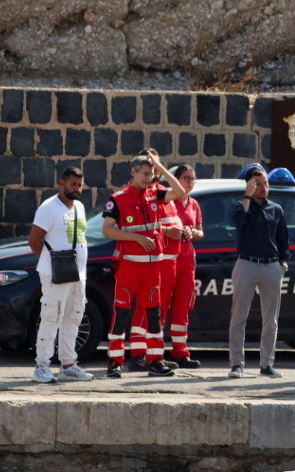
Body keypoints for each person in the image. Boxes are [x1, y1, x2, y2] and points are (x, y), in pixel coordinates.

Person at [102, 151, 187, 379]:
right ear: (133, 172)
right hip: (130, 266)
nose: (148, 178)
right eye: (144, 173)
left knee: (153, 316)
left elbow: (179, 192)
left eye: (151, 173)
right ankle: (114, 362)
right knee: (120, 314)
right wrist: (138, 239)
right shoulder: (118, 198)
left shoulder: (156, 193)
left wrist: (161, 166)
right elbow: (107, 229)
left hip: (154, 268)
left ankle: (156, 360)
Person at [28, 164, 94, 383]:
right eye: (73, 184)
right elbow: (34, 241)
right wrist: (51, 263)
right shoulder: (49, 208)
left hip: (77, 273)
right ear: (62, 183)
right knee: (51, 315)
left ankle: (68, 364)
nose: (76, 189)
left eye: (80, 185)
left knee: (74, 315)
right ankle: (42, 365)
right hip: (55, 273)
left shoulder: (80, 207)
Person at [227, 163, 290, 379]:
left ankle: (266, 364)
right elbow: (239, 223)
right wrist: (247, 196)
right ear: (250, 186)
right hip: (247, 263)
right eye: (258, 184)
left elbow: (283, 238)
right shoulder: (240, 205)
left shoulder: (276, 209)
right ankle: (237, 364)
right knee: (239, 316)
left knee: (270, 318)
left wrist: (283, 261)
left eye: (266, 184)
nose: (264, 188)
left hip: (271, 265)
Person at [160, 163, 203, 368]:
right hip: (169, 258)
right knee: (162, 305)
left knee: (183, 306)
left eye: (192, 178)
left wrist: (193, 232)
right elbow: (154, 226)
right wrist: (170, 231)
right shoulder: (168, 200)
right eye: (186, 178)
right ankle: (156, 352)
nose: (190, 182)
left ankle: (180, 352)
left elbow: (201, 231)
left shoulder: (194, 204)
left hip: (188, 260)